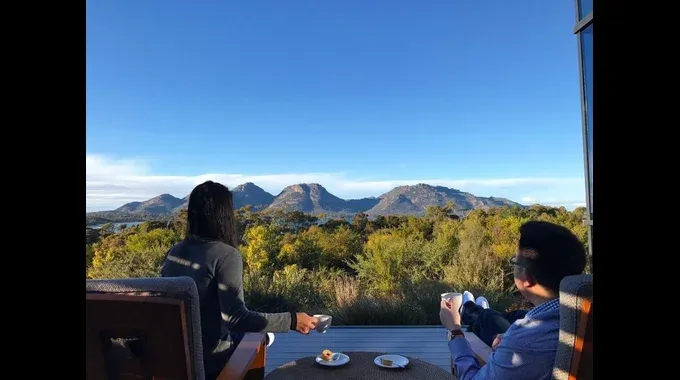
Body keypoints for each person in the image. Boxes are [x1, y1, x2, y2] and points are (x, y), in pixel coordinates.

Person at [161, 181, 318, 379]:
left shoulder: (175, 252)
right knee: (259, 336)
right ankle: (265, 339)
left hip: (175, 358)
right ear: (224, 215)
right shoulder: (226, 254)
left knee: (253, 334)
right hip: (210, 362)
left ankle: (265, 337)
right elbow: (236, 319)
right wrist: (293, 320)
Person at [439, 220, 587, 380]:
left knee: (491, 319)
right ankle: (478, 311)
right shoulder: (583, 315)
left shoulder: (526, 340)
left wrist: (455, 331)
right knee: (513, 316)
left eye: (514, 261)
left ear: (527, 277)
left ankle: (469, 311)